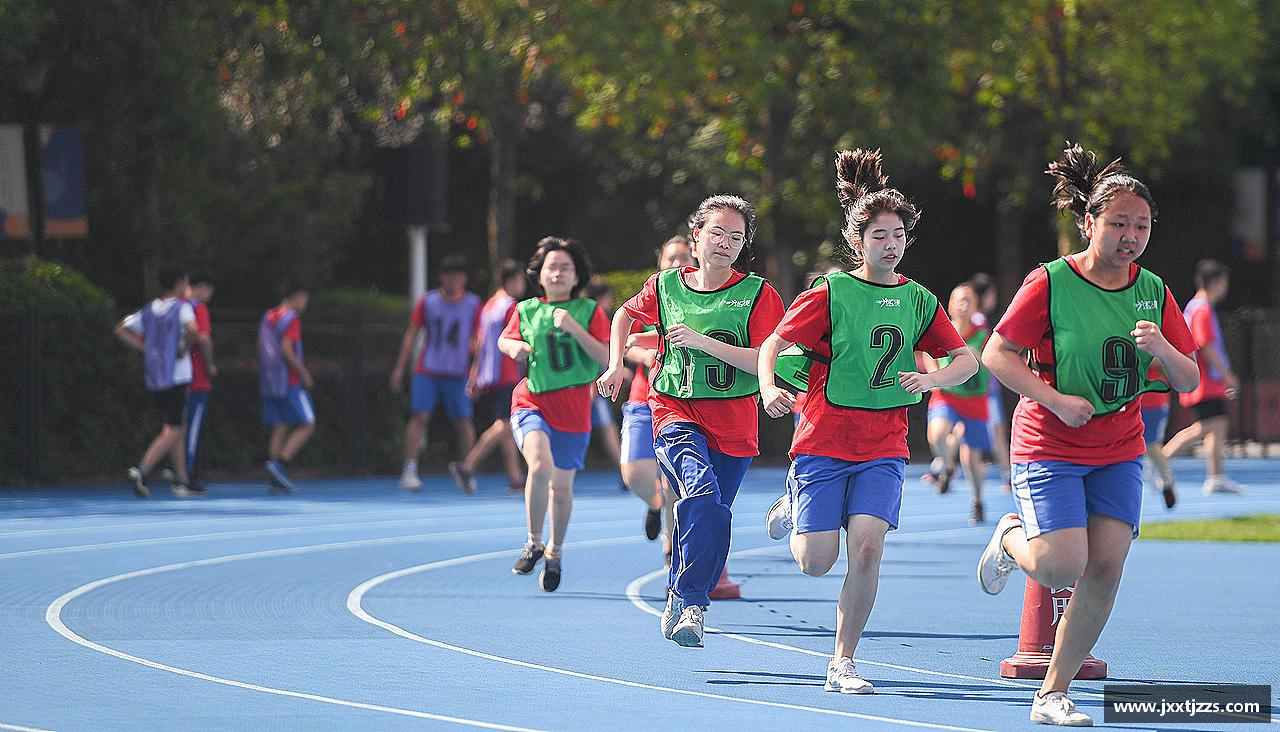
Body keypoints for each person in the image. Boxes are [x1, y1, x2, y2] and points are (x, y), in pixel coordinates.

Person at [976, 143, 1198, 726]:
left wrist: (1164, 349)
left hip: (1120, 447)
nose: (1131, 235)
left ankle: (1052, 692)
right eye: (1119, 222)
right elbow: (996, 354)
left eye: (1142, 225)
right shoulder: (1050, 282)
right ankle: (1009, 539)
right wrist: (1053, 398)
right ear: (1090, 222)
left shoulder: (1154, 290)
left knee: (1106, 568)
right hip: (1049, 440)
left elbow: (1190, 377)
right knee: (1058, 567)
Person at [758, 150, 976, 694]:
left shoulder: (920, 299)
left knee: (869, 546)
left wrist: (930, 381)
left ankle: (843, 661)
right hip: (824, 440)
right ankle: (795, 503)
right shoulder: (831, 293)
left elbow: (967, 360)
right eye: (879, 234)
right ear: (858, 241)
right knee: (815, 562)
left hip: (884, 444)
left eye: (899, 234)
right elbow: (773, 346)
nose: (891, 244)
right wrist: (768, 388)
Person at [598, 194, 785, 648]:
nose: (725, 243)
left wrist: (705, 343)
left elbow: (767, 359)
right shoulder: (666, 286)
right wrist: (615, 363)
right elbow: (623, 314)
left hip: (735, 421)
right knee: (698, 492)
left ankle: (679, 591)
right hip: (675, 408)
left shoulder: (758, 294)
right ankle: (695, 605)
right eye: (716, 232)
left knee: (713, 512)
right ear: (696, 236)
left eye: (736, 237)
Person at [500, 237, 610, 592]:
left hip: (575, 408)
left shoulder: (589, 311)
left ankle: (555, 551)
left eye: (565, 267)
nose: (558, 272)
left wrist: (574, 328)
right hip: (533, 401)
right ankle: (533, 540)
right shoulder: (526, 310)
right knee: (538, 464)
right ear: (540, 274)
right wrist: (513, 346)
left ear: (577, 274)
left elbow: (606, 357)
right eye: (552, 267)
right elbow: (505, 339)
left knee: (561, 491)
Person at [620, 235, 696, 559]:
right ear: (660, 263)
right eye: (671, 258)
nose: (678, 263)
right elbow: (628, 342)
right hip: (643, 397)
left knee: (672, 482)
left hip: (681, 401)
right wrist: (650, 356)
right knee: (634, 473)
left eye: (683, 257)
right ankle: (654, 504)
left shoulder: (701, 301)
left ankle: (670, 547)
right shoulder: (651, 299)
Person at [390, 255, 482, 493]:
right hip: (428, 369)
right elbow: (412, 334)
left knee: (463, 420)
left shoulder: (473, 304)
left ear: (464, 279)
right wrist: (400, 368)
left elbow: (480, 340)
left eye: (458, 276)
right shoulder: (428, 302)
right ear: (442, 278)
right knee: (419, 416)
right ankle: (409, 469)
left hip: (458, 371)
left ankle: (468, 470)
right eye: (449, 276)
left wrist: (477, 371)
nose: (454, 281)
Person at [114, 264, 203, 499]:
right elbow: (193, 330)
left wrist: (145, 348)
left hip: (156, 375)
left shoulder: (150, 310)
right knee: (173, 428)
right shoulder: (182, 308)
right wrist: (183, 347)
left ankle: (183, 480)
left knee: (176, 424)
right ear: (180, 283)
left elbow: (121, 329)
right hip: (178, 375)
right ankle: (142, 470)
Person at [1162, 259, 1245, 495]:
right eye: (1224, 282)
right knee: (1206, 426)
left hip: (1206, 381)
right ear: (1216, 282)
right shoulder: (1202, 309)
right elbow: (1206, 345)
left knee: (1215, 428)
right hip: (1205, 381)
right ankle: (1161, 460)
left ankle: (1215, 476)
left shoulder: (1196, 307)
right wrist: (1228, 375)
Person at [923, 283, 993, 525]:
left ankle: (977, 501)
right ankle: (946, 464)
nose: (963, 304)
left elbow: (994, 360)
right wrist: (933, 375)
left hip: (974, 399)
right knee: (937, 434)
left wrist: (977, 358)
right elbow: (926, 351)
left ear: (975, 306)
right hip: (947, 394)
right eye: (958, 300)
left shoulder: (982, 336)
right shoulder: (943, 331)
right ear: (950, 305)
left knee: (971, 458)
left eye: (968, 300)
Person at [458, 259, 528, 494]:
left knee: (506, 425)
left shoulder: (488, 306)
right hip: (507, 372)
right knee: (503, 424)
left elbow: (478, 343)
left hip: (490, 373)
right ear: (511, 280)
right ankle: (468, 465)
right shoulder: (511, 307)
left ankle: (515, 477)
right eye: (520, 279)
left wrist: (475, 373)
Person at [259, 279, 315, 494]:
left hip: (269, 379)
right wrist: (304, 373)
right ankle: (280, 464)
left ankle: (274, 475)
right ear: (299, 297)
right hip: (289, 380)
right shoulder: (291, 319)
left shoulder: (269, 317)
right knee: (308, 423)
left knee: (280, 424)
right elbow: (287, 350)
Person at [969, 272, 1013, 493]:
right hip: (983, 389)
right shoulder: (976, 322)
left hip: (983, 389)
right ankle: (1007, 474)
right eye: (992, 294)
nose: (994, 299)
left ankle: (943, 463)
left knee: (973, 432)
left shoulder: (978, 321)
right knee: (995, 430)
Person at [585, 276, 626, 480]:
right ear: (603, 296)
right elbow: (595, 353)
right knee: (607, 428)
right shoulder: (595, 314)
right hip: (593, 384)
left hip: (591, 382)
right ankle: (624, 472)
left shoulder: (585, 313)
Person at [183, 272, 217, 489]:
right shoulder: (197, 308)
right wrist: (210, 365)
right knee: (191, 427)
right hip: (195, 377)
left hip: (172, 377)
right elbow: (203, 337)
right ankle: (187, 474)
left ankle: (176, 468)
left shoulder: (174, 306)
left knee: (176, 425)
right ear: (203, 287)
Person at [1139, 379, 1177, 508]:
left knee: (1151, 445)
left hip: (1151, 401)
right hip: (1128, 401)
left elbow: (1159, 361)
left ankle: (1167, 480)